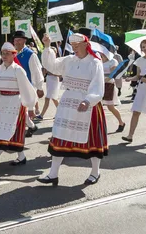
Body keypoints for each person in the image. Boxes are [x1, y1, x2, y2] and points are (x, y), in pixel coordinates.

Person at [37, 32, 107, 186]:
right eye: (72, 46)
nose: (74, 48)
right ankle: (53, 174)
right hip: (68, 104)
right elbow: (51, 65)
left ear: (85, 45)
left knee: (91, 141)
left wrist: (88, 101)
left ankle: (95, 172)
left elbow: (98, 86)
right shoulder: (69, 60)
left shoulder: (95, 62)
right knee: (60, 137)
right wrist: (47, 46)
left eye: (77, 46)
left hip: (88, 105)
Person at [0, 42, 37, 169]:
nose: (4, 56)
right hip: (2, 103)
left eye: (7, 53)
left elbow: (27, 90)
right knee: (7, 131)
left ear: (13, 55)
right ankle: (21, 157)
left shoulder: (18, 70)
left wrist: (31, 107)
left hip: (16, 103)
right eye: (3, 53)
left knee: (7, 131)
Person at [12, 30, 44, 137]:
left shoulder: (31, 55)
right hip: (15, 86)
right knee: (17, 108)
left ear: (24, 40)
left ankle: (24, 129)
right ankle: (31, 126)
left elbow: (37, 71)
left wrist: (39, 87)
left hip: (26, 86)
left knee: (20, 108)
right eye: (15, 40)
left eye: (19, 40)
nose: (17, 42)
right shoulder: (13, 53)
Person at [100, 52, 126, 133]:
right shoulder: (98, 60)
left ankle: (121, 122)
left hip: (109, 85)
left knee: (110, 107)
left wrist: (106, 79)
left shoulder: (112, 61)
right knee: (97, 106)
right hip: (99, 85)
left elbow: (113, 73)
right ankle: (99, 126)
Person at [39, 47, 60, 120]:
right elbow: (44, 71)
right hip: (49, 79)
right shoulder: (48, 61)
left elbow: (59, 74)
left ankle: (41, 115)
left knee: (48, 98)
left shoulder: (57, 61)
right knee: (54, 98)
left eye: (52, 52)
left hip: (54, 80)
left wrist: (52, 72)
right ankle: (60, 113)